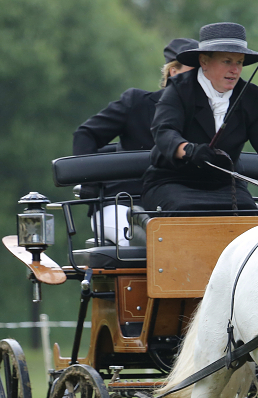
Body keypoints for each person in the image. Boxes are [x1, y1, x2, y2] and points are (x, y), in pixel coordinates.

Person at [142, 22, 258, 213]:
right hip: (172, 181)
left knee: (250, 217)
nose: (235, 70)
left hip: (228, 185)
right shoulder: (178, 89)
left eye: (240, 62)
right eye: (227, 61)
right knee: (186, 211)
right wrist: (190, 150)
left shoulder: (250, 96)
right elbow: (164, 132)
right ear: (204, 61)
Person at [72, 38, 198, 245]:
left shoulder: (210, 116)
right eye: (196, 70)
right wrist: (89, 182)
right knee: (149, 243)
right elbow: (86, 134)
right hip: (125, 202)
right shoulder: (137, 103)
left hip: (181, 205)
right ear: (174, 72)